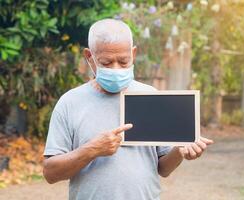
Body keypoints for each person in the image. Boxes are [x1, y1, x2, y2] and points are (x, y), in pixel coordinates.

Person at [43, 18, 213, 200]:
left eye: (123, 61)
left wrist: (179, 152)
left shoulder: (151, 97)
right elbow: (51, 173)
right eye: (106, 63)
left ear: (133, 53)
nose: (116, 69)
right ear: (89, 57)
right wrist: (93, 149)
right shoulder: (70, 102)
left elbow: (163, 169)